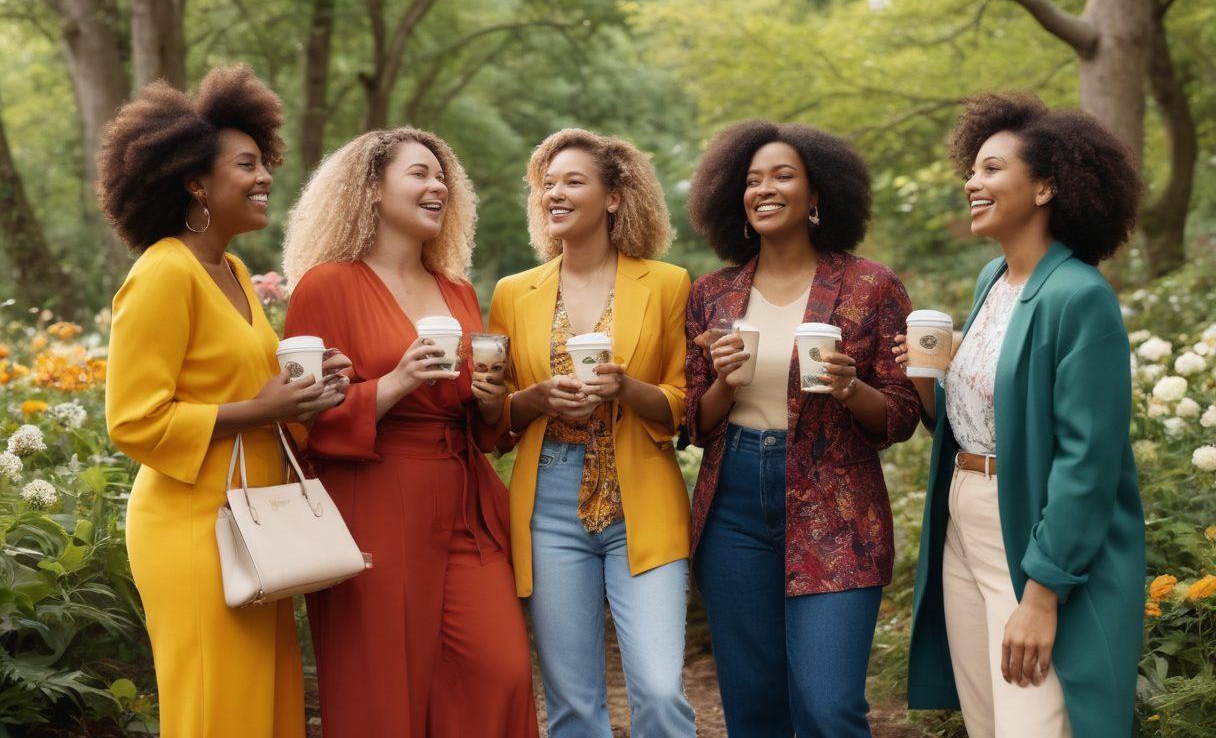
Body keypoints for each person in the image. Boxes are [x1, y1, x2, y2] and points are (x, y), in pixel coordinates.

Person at [101, 65, 347, 738]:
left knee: (265, 710)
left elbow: (252, 393)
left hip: (256, 525)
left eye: (265, 161)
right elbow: (133, 420)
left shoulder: (233, 270)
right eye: (247, 164)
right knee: (217, 711)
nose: (266, 175)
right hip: (190, 531)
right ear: (195, 182)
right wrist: (262, 410)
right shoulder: (161, 274)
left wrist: (311, 389)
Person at [901, 92, 1146, 738]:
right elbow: (977, 418)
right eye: (972, 169)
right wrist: (934, 377)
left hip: (1029, 533)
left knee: (1032, 725)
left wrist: (1041, 596)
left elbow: (1086, 465)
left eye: (990, 169)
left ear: (1044, 188)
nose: (970, 182)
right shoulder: (993, 281)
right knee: (987, 724)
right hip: (964, 518)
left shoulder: (1080, 297)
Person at [281, 127, 538, 737]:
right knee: (384, 683)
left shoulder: (457, 290)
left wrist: (489, 401)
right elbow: (300, 420)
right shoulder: (328, 285)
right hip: (370, 500)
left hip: (462, 501)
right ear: (371, 188)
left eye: (442, 175)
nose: (437, 185)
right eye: (419, 174)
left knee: (501, 669)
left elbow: (486, 430)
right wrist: (394, 384)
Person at [684, 120, 921, 737]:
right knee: (754, 704)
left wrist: (850, 388)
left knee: (827, 705)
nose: (764, 188)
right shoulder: (713, 295)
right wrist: (722, 382)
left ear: (816, 195)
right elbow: (692, 421)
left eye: (783, 175)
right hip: (733, 504)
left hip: (837, 502)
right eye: (752, 179)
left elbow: (902, 413)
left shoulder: (871, 286)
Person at [488, 128, 696, 737]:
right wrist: (532, 399)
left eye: (573, 181)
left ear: (613, 197)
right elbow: (493, 419)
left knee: (659, 690)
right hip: (548, 501)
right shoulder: (512, 294)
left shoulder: (666, 284)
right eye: (547, 184)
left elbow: (685, 406)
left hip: (643, 497)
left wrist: (626, 388)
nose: (555, 193)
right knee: (573, 702)